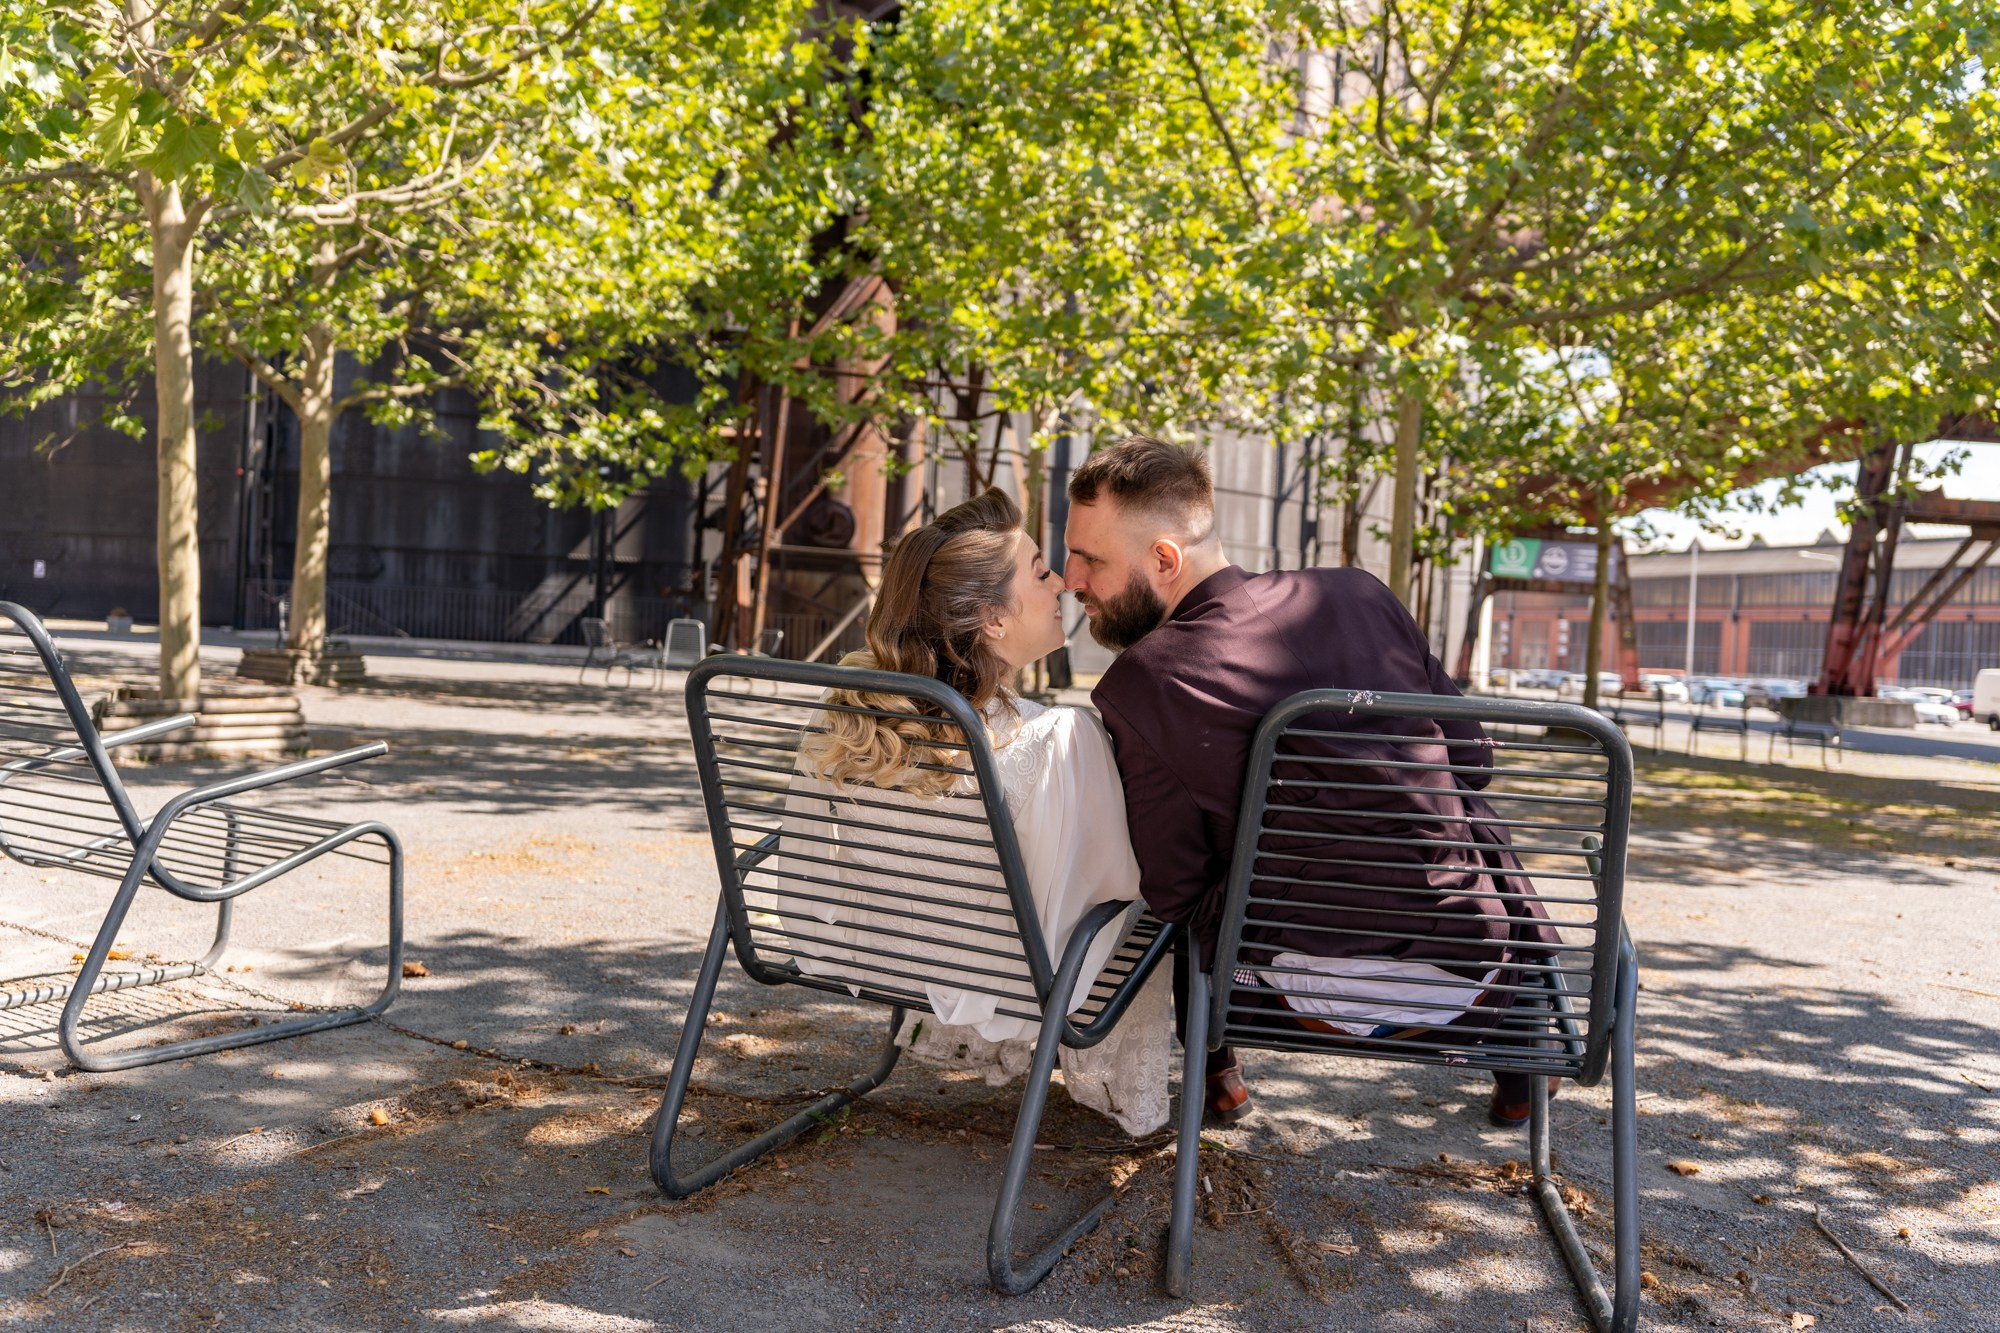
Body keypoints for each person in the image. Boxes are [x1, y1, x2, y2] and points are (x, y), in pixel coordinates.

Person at [1062, 435, 1559, 1127]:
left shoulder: (1143, 686)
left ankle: (1220, 1077)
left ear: (1165, 559)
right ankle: (1521, 1067)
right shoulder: (1361, 595)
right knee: (1464, 827)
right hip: (1475, 978)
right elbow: (1472, 761)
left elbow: (1174, 889)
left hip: (1285, 996)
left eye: (1088, 559)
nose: (1069, 579)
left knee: (1206, 899)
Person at [766, 487, 1171, 1136]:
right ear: (992, 621)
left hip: (877, 956)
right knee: (1164, 898)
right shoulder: (1057, 738)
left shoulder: (860, 719)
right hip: (1010, 980)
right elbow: (1103, 898)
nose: (1065, 582)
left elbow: (809, 869)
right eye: (1041, 573)